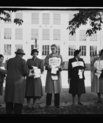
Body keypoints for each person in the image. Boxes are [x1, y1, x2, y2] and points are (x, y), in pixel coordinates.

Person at [4, 49, 29, 114]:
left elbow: (7, 69)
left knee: (9, 96)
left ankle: (8, 110)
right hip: (19, 81)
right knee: (18, 97)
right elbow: (25, 72)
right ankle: (17, 111)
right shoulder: (23, 61)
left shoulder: (9, 60)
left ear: (16, 54)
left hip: (9, 80)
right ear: (21, 55)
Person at [44, 44, 63, 108]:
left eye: (54, 48)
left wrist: (60, 67)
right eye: (51, 48)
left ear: (56, 49)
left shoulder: (59, 56)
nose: (52, 50)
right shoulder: (48, 56)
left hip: (57, 74)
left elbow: (62, 65)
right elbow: (45, 64)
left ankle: (57, 105)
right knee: (49, 90)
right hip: (50, 74)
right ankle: (48, 104)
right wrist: (47, 66)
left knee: (57, 89)